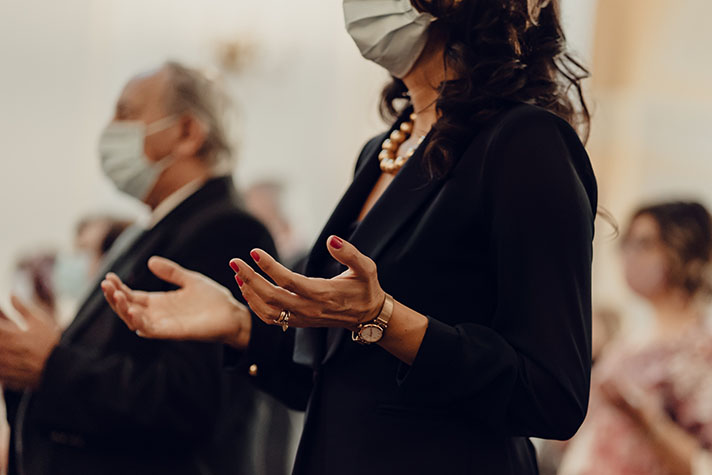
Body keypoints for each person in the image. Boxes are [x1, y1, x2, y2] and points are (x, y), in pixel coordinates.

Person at [103, 1, 598, 473]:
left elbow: (551, 396)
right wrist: (240, 326)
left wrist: (384, 317)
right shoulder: (381, 150)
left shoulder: (526, 142)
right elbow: (337, 379)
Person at [0, 61, 277, 475]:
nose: (110, 128)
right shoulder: (154, 226)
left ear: (187, 133)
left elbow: (188, 401)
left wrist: (54, 364)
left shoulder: (226, 229)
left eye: (126, 113)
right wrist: (35, 359)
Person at [559, 201, 712, 475]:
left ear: (682, 251)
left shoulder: (698, 349)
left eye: (643, 243)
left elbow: (701, 464)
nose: (627, 255)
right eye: (627, 242)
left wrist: (644, 417)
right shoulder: (634, 339)